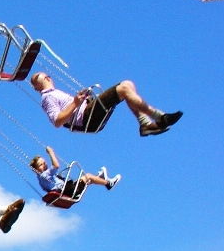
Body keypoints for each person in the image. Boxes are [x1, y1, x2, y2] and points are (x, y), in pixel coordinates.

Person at [29, 72, 182, 137]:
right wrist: (76, 103)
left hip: (88, 110)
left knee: (127, 85)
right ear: (39, 84)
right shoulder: (47, 98)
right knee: (123, 88)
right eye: (41, 76)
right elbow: (56, 121)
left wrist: (81, 99)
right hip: (87, 117)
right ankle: (160, 116)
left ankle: (145, 124)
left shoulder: (55, 93)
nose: (47, 76)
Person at [30, 146, 120, 199]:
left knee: (87, 179)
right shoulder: (44, 175)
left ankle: (99, 177)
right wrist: (51, 153)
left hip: (67, 190)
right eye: (41, 165)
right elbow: (56, 166)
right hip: (69, 191)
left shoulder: (41, 178)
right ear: (36, 169)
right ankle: (108, 184)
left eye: (45, 162)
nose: (45, 165)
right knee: (87, 176)